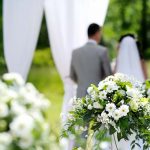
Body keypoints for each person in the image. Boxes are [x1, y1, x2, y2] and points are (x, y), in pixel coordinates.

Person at [70, 23, 112, 98]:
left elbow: (72, 75)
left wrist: (82, 83)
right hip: (97, 94)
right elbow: (108, 75)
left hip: (80, 94)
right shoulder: (102, 51)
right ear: (97, 33)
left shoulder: (75, 52)